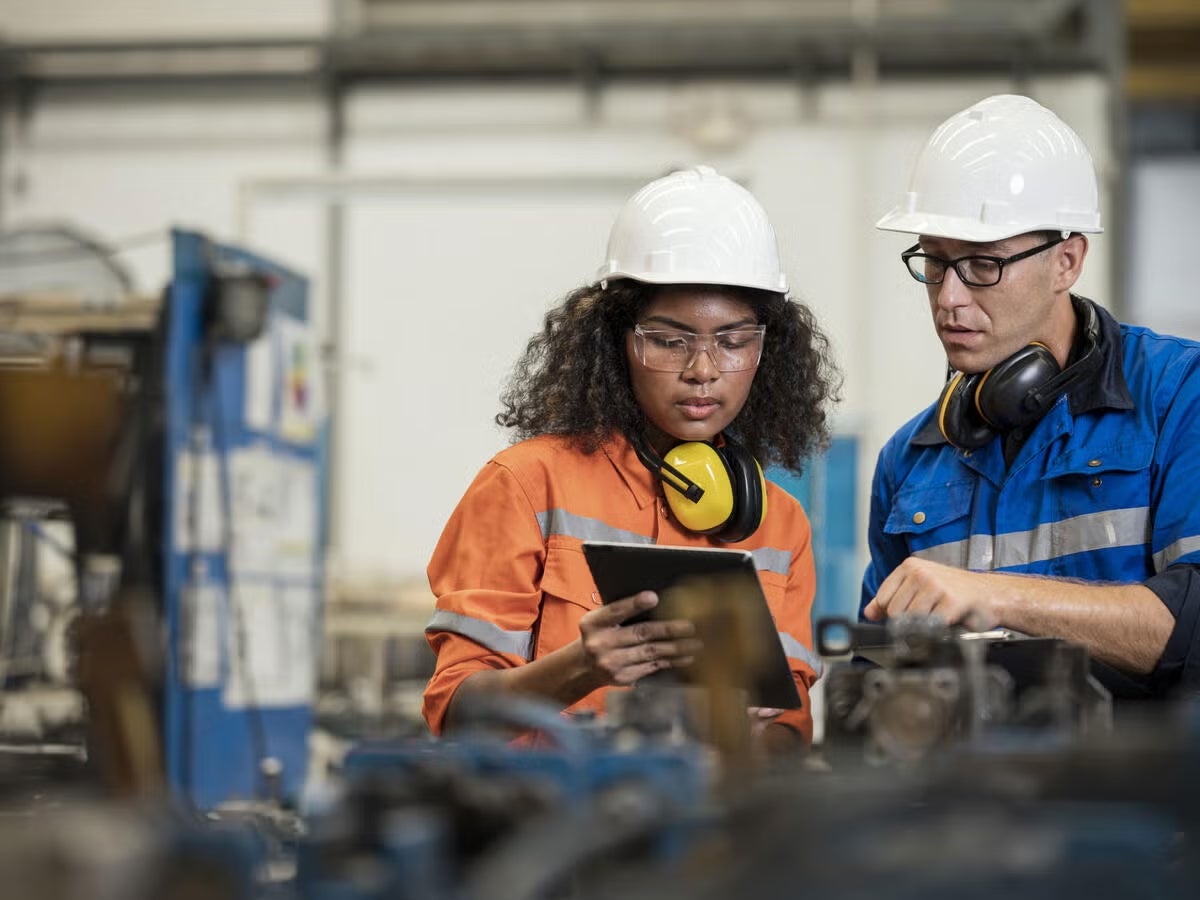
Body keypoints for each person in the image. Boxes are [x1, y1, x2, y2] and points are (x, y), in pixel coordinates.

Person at [422, 166, 841, 748]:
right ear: (617, 341)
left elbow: (791, 731)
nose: (703, 369)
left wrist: (738, 737)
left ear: (768, 349)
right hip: (550, 823)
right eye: (670, 340)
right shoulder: (526, 484)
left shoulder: (780, 524)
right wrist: (580, 667)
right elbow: (455, 711)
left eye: (734, 340)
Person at [861, 93, 1200, 698]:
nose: (949, 300)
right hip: (970, 791)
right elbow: (876, 677)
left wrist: (995, 596)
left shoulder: (1177, 397)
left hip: (1145, 787)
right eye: (934, 264)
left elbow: (1191, 626)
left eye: (983, 266)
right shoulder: (909, 459)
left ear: (1067, 261)